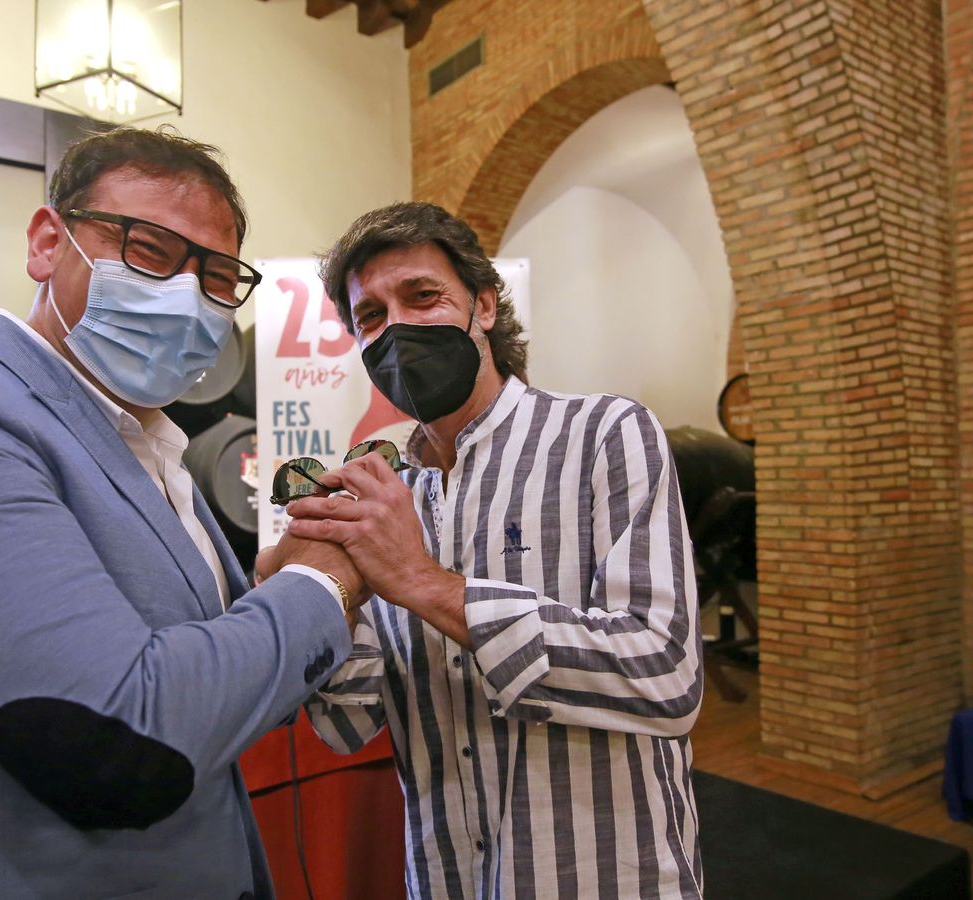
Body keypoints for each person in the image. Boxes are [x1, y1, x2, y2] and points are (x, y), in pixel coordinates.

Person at [0, 128, 365, 899]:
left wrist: (264, 592)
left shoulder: (148, 443)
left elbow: (207, 690)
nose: (187, 299)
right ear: (45, 243)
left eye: (216, 277)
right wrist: (321, 584)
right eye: (149, 251)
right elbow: (119, 746)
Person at [269, 201, 704, 899]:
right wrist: (311, 587)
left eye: (422, 296)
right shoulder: (387, 498)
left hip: (602, 878)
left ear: (485, 307)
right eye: (371, 316)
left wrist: (427, 584)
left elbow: (665, 678)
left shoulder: (604, 434)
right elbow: (349, 722)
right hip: (448, 878)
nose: (397, 328)